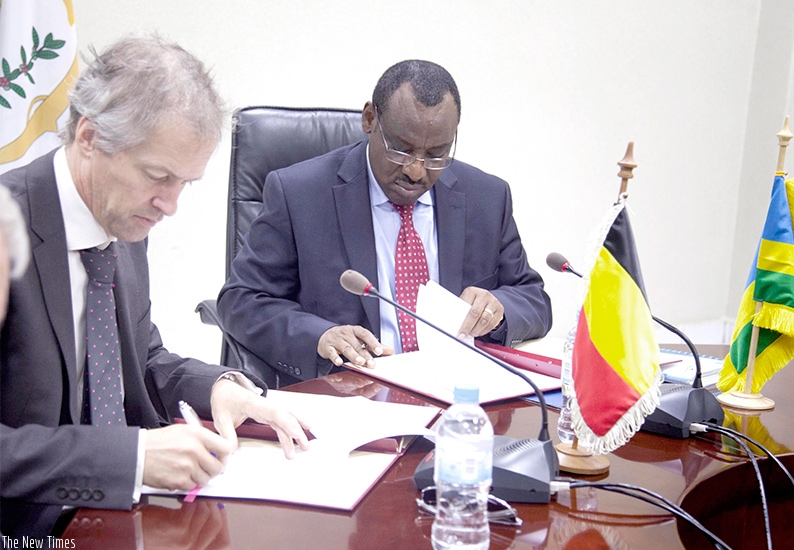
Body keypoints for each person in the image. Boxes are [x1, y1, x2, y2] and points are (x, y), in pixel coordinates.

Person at [0, 35, 310, 538]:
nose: (170, 205)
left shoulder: (123, 221)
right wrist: (133, 459)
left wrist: (218, 388)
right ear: (89, 138)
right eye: (157, 175)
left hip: (120, 520)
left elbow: (138, 361)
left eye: (185, 183)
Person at [217, 59, 552, 385]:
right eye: (401, 149)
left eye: (436, 154)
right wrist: (319, 336)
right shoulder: (299, 194)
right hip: (352, 397)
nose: (416, 170)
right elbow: (241, 301)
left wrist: (500, 309)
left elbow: (534, 299)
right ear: (369, 119)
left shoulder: (487, 197)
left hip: (459, 398)